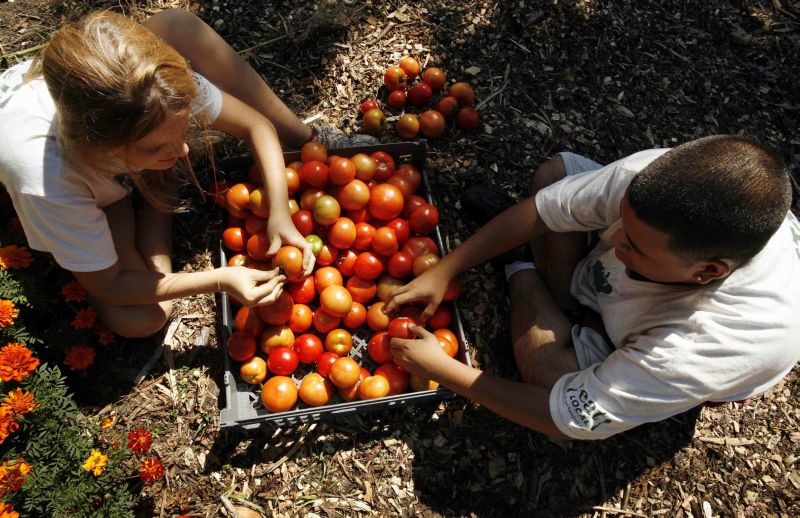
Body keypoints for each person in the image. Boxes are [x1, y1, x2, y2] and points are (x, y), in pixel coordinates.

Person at [386, 135, 800, 440]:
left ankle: (520, 264)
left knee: (547, 378)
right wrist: (445, 269)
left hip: (653, 339)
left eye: (633, 245)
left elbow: (561, 420)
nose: (613, 238)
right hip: (652, 285)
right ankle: (568, 301)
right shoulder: (652, 182)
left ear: (707, 271)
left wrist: (444, 370)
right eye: (620, 221)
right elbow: (544, 208)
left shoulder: (704, 344)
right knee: (556, 175)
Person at [0, 9, 373, 338]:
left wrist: (278, 211)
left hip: (103, 107)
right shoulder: (45, 180)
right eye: (153, 147)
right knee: (144, 319)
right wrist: (218, 280)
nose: (184, 151)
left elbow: (256, 126)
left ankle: (149, 196)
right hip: (75, 173)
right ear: (99, 146)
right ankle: (142, 207)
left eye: (182, 132)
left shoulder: (155, 90)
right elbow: (110, 285)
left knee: (177, 25)